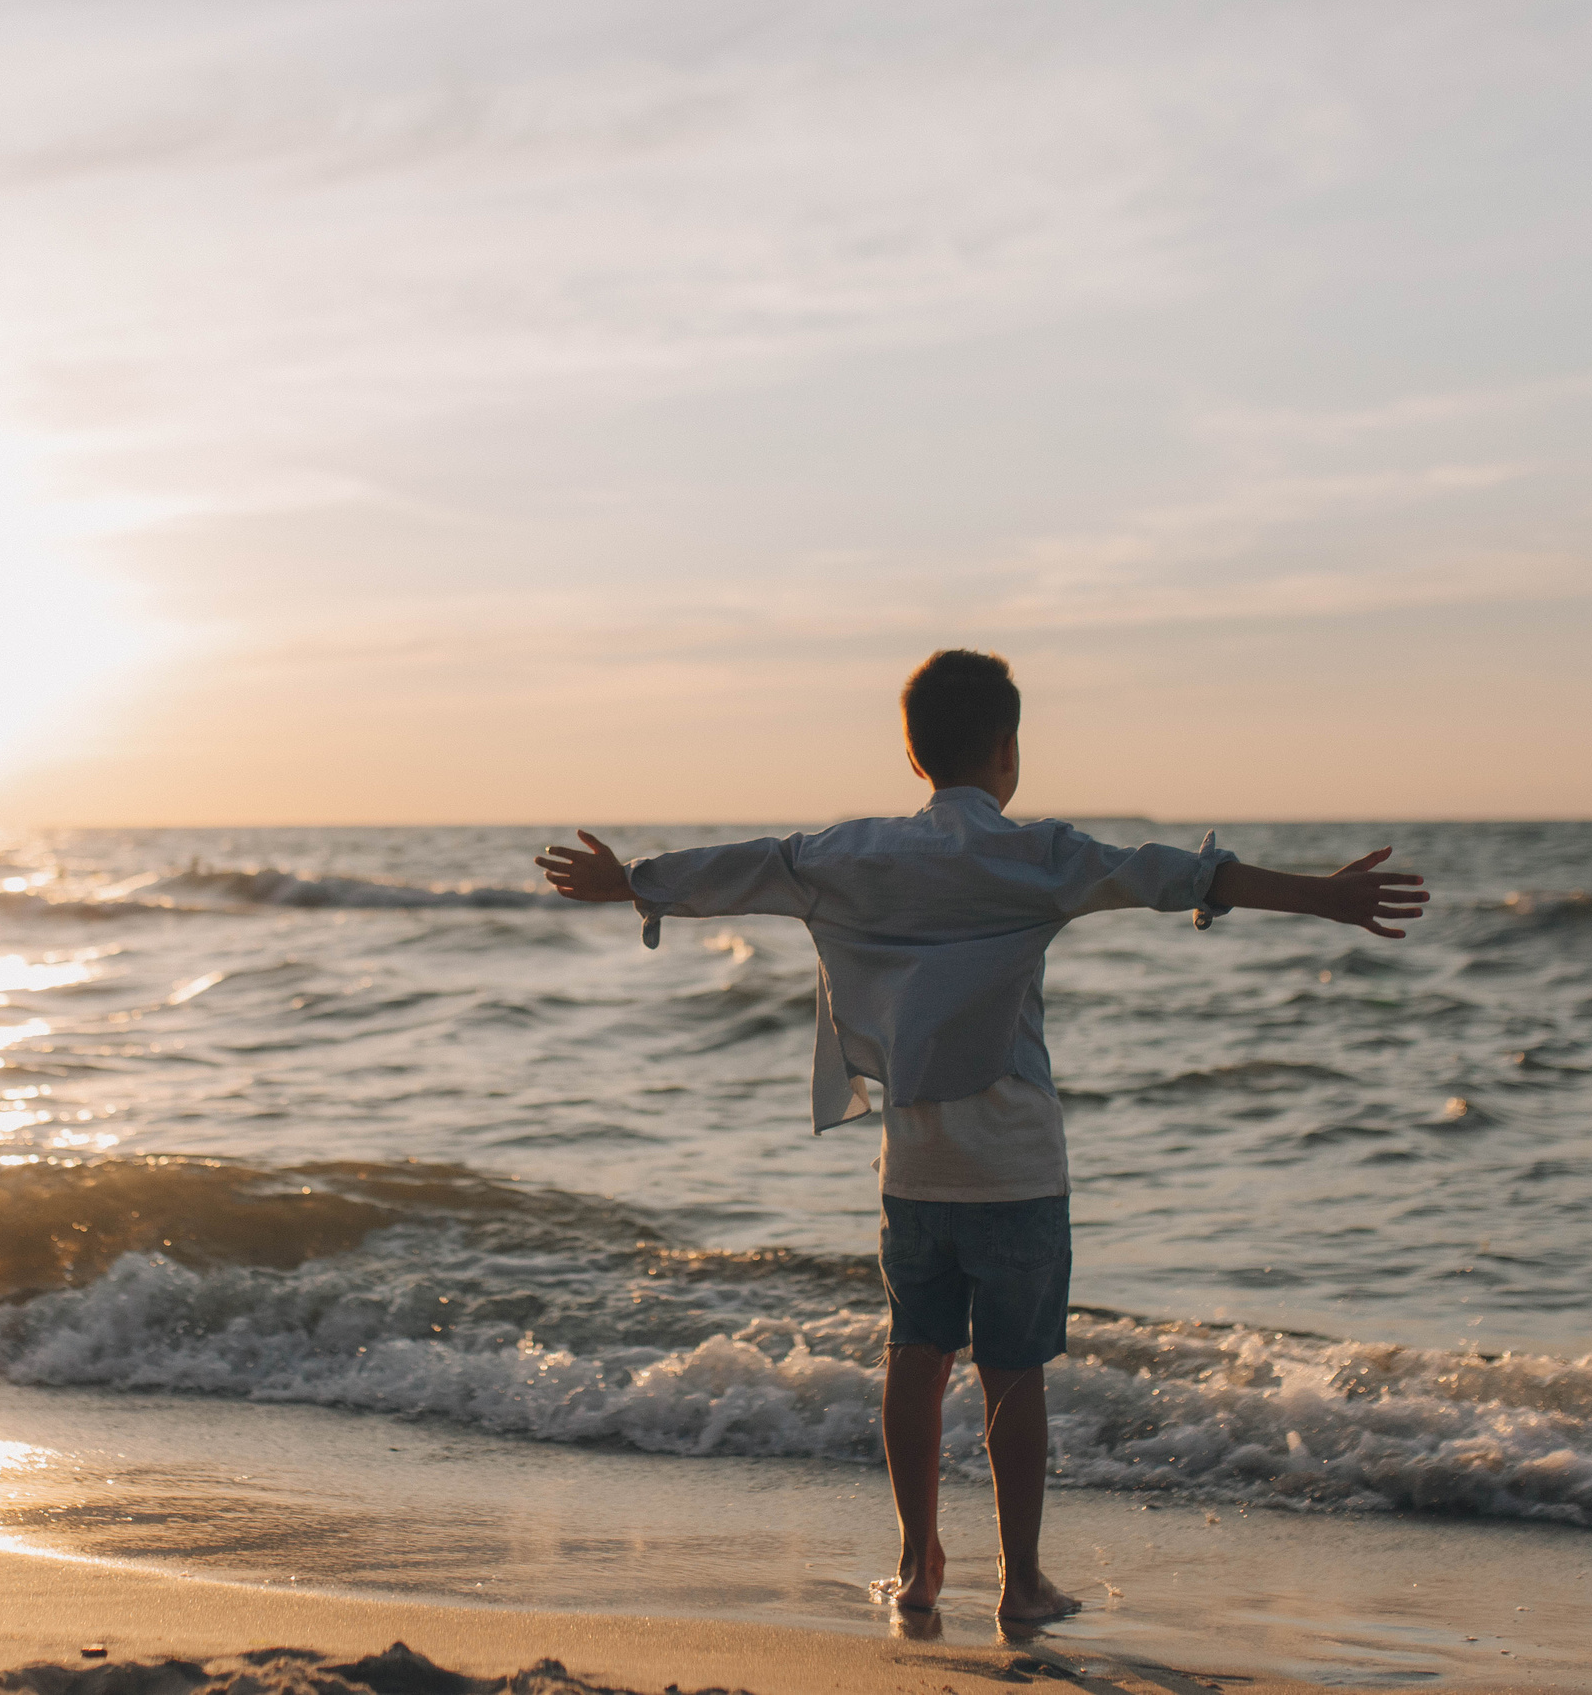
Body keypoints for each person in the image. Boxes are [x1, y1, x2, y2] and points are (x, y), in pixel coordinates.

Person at [534, 648, 1425, 1624]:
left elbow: (740, 868)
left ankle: (918, 1566)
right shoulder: (1038, 856)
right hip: (1016, 1166)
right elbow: (1173, 874)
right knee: (1014, 1374)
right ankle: (1021, 1582)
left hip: (914, 1167)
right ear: (1008, 750)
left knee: (915, 1356)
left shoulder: (844, 856)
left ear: (913, 756)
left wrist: (629, 880)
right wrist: (1323, 895)